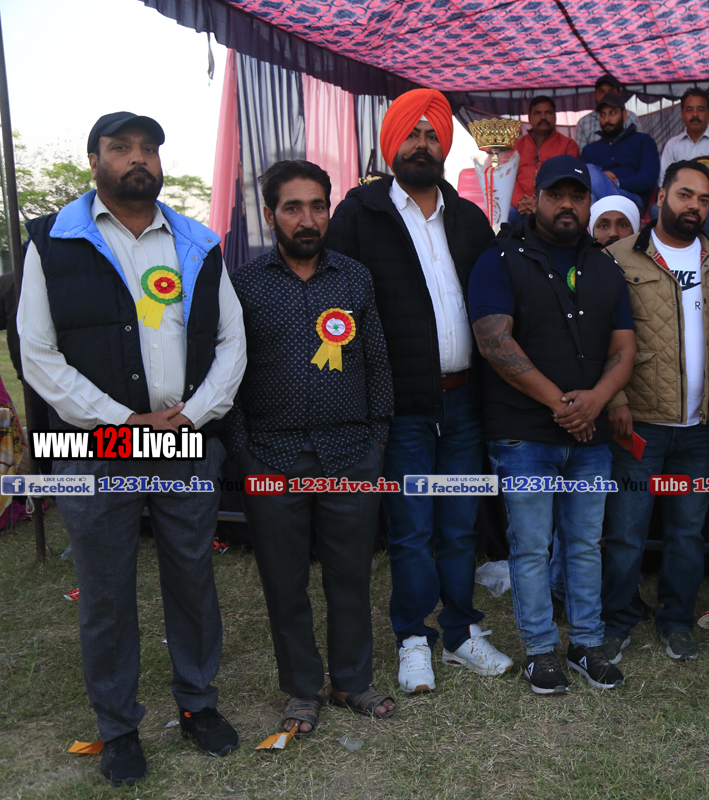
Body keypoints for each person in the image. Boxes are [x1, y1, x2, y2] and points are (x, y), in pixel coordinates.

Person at [17, 112, 247, 785]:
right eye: (121, 148)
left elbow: (232, 342)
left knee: (192, 578)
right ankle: (118, 727)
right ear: (94, 161)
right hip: (98, 448)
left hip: (186, 442)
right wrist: (124, 422)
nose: (138, 158)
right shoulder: (52, 241)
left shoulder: (199, 242)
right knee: (107, 591)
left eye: (148, 147)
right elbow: (37, 353)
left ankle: (198, 704)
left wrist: (193, 415)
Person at [327, 88, 513, 696]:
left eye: (433, 134)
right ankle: (413, 637)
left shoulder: (467, 217)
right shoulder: (360, 214)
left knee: (459, 525)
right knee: (410, 529)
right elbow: (337, 309)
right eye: (412, 133)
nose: (423, 144)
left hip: (464, 402)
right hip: (403, 406)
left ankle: (460, 632)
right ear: (392, 142)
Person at [229, 160, 396, 736]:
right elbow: (229, 373)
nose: (307, 219)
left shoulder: (354, 278)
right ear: (270, 214)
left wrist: (377, 437)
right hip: (271, 457)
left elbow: (376, 360)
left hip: (352, 453)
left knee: (350, 575)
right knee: (284, 581)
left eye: (318, 206)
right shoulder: (243, 285)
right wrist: (244, 449)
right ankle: (303, 689)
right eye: (293, 207)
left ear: (330, 209)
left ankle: (352, 680)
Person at [469, 155, 636, 694]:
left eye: (577, 196)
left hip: (591, 437)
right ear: (535, 198)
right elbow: (494, 342)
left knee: (585, 544)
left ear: (589, 203)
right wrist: (565, 405)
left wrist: (597, 400)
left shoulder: (606, 266)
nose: (567, 205)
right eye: (556, 195)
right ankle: (540, 652)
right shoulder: (499, 259)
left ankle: (586, 644)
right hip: (524, 435)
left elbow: (624, 349)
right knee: (531, 546)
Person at [601, 160, 709, 664]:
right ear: (660, 197)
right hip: (638, 422)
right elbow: (599, 337)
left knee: (687, 533)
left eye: (703, 199)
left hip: (701, 428)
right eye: (685, 195)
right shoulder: (618, 258)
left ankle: (677, 621)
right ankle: (616, 621)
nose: (694, 207)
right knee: (625, 533)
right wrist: (615, 401)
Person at [658, 89, 709, 242]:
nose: (695, 114)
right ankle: (671, 249)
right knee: (657, 209)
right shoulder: (672, 145)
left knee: (707, 205)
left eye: (700, 109)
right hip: (679, 197)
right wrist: (683, 196)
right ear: (682, 113)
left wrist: (700, 195)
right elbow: (664, 179)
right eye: (689, 110)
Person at [581, 94, 660, 212]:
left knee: (593, 192)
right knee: (588, 172)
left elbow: (649, 177)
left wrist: (617, 183)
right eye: (603, 115)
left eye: (612, 113)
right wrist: (602, 177)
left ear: (624, 115)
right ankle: (620, 211)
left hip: (632, 199)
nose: (607, 120)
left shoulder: (643, 141)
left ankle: (618, 209)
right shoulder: (589, 149)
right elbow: (580, 182)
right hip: (598, 201)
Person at [512, 95, 579, 220]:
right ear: (529, 118)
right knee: (507, 216)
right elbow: (508, 178)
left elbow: (569, 180)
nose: (543, 117)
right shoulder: (517, 146)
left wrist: (541, 201)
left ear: (555, 116)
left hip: (554, 202)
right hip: (521, 204)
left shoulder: (568, 145)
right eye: (538, 113)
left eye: (548, 112)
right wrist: (520, 200)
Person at [575, 73, 640, 148]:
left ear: (619, 94)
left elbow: (639, 147)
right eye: (602, 92)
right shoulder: (583, 123)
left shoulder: (631, 118)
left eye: (611, 92)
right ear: (595, 95)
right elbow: (581, 154)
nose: (606, 96)